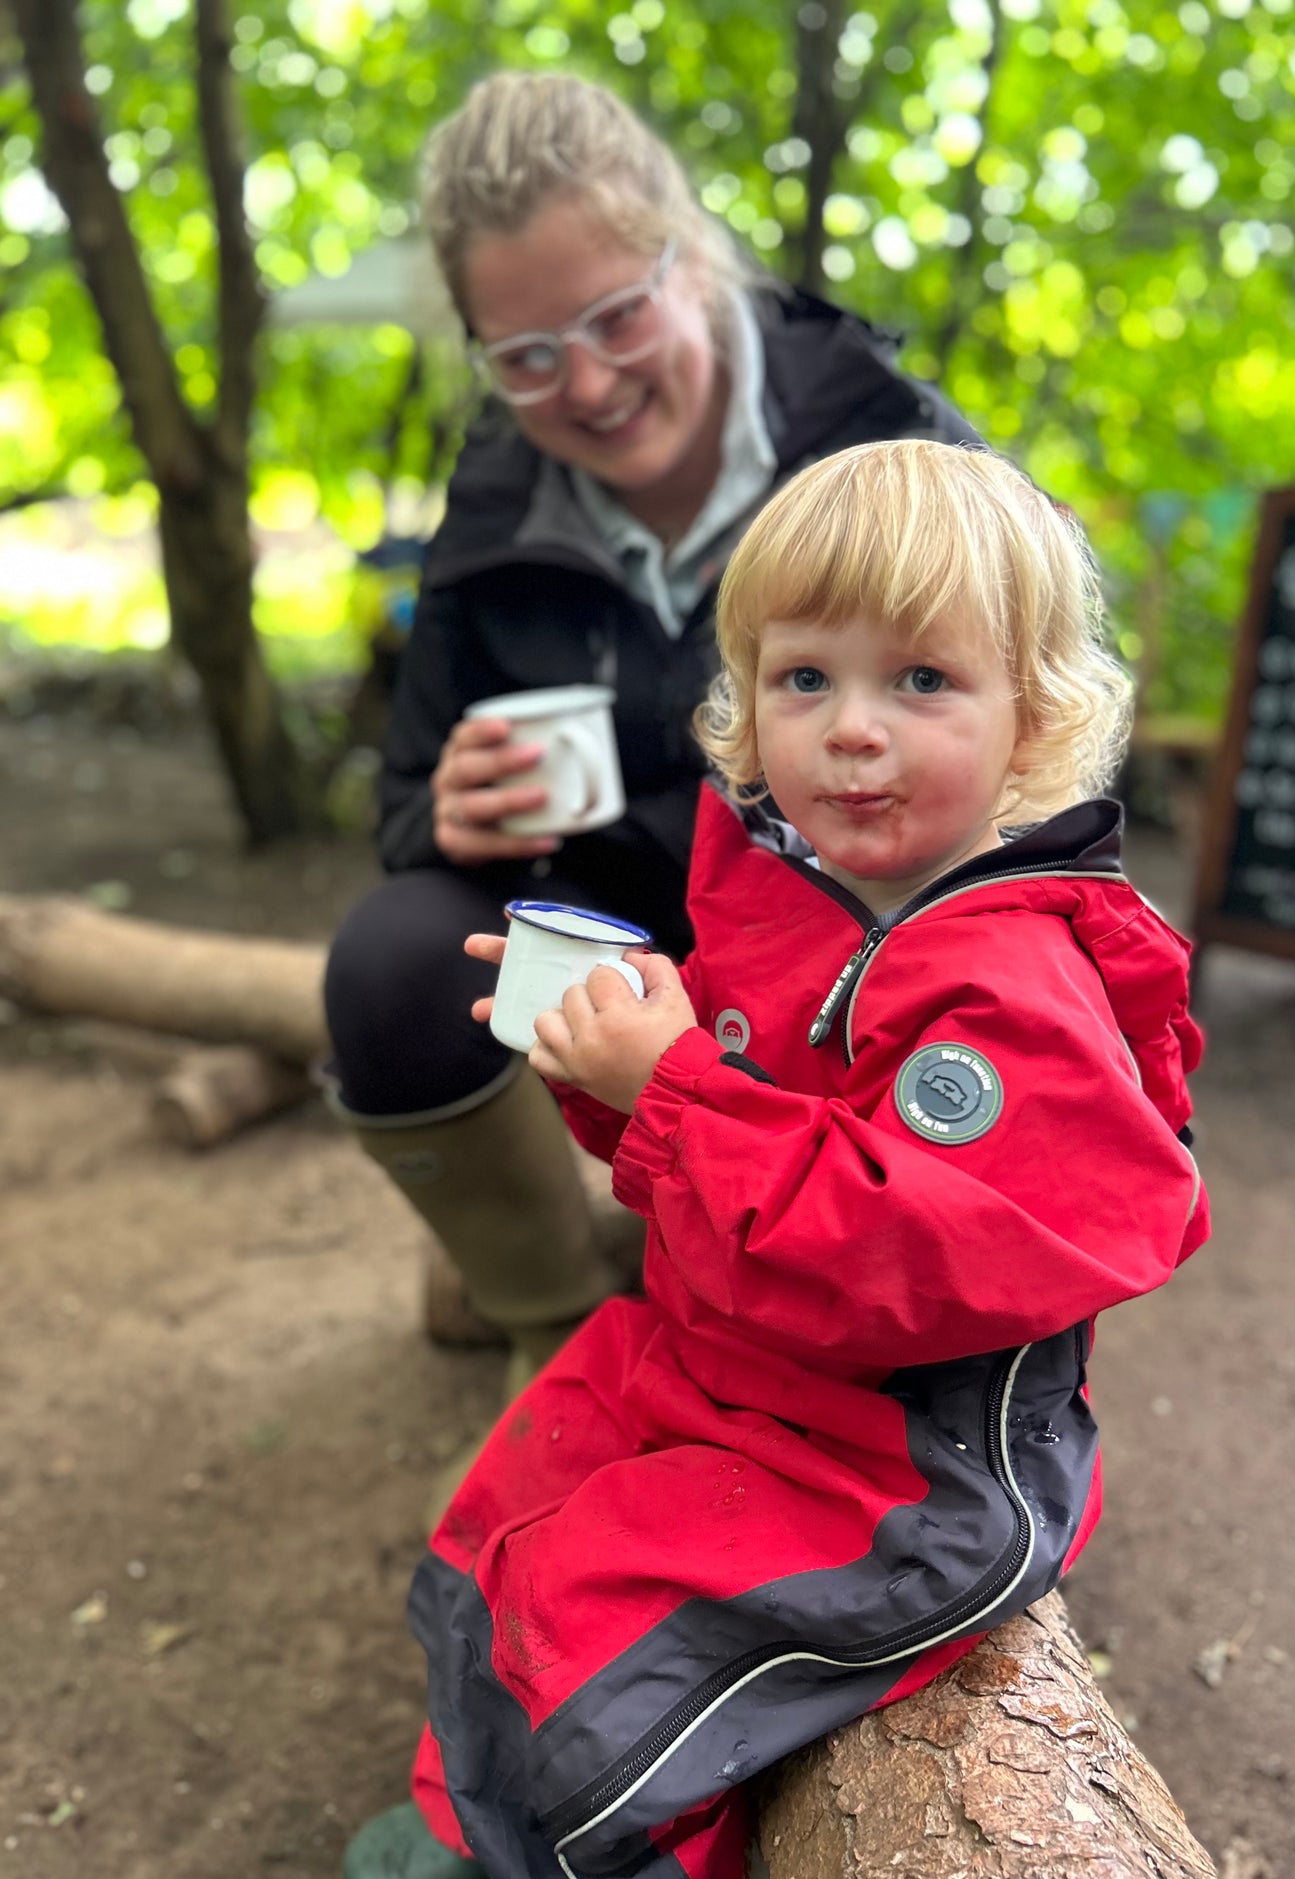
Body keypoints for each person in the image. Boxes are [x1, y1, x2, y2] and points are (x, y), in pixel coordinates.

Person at [337, 441, 1211, 1879]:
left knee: (618, 1628)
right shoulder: (803, 894)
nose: (852, 733)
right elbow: (721, 1163)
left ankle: (587, 1877)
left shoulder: (1014, 982)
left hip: (900, 1461)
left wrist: (669, 1089)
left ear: (1034, 717)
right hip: (728, 1359)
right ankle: (475, 1799)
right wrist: (602, 1057)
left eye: (921, 682)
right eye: (805, 680)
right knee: (518, 1493)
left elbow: (893, 1251)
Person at [322, 70, 982, 1398]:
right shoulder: (497, 488)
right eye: (527, 356)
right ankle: (558, 1333)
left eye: (618, 315)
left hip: (854, 926)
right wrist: (447, 809)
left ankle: (892, 1337)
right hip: (628, 938)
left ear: (693, 259)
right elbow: (404, 806)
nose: (590, 383)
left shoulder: (887, 439)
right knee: (395, 960)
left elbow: (1042, 757)